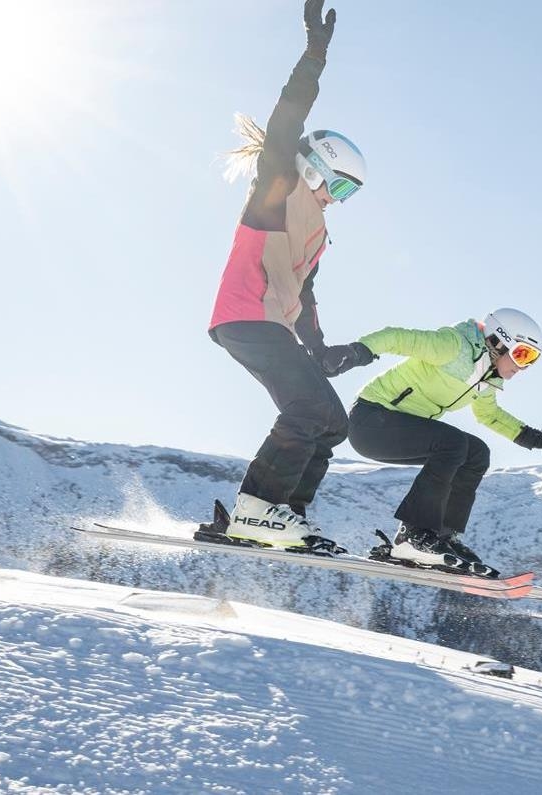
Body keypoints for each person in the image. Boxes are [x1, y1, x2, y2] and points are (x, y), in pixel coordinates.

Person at [206, 0, 376, 552]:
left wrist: (320, 349)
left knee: (331, 421)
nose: (339, 199)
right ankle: (255, 508)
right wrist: (314, 54)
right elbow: (287, 120)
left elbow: (304, 294)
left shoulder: (317, 229)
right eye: (341, 186)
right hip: (244, 317)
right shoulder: (277, 190)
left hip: (272, 325)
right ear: (315, 165)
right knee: (308, 409)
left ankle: (284, 513)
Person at [342, 308, 542, 577]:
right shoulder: (454, 346)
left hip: (399, 429)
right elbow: (397, 337)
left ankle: (441, 536)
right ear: (499, 340)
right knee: (452, 443)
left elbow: (489, 416)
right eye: (522, 354)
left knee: (476, 453)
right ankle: (414, 535)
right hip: (371, 420)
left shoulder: (487, 378)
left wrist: (537, 438)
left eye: (532, 359)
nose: (523, 366)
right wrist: (359, 350)